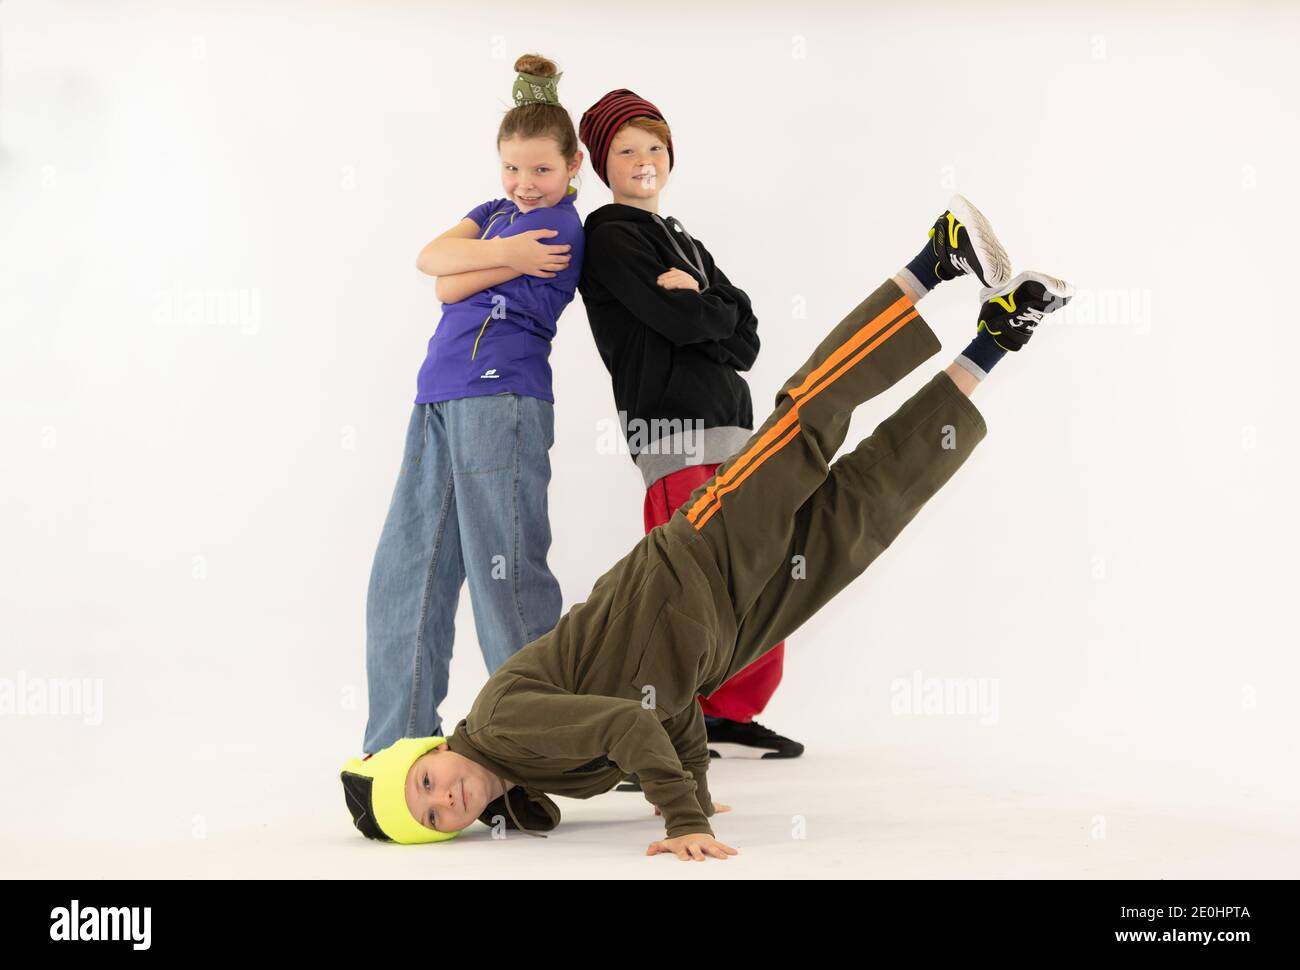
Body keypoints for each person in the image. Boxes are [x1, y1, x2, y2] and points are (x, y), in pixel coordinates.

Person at [342, 194, 1074, 861]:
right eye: (435, 814)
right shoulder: (526, 775)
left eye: (427, 781)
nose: (445, 797)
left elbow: (627, 728)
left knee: (806, 425)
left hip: (694, 560)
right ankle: (999, 336)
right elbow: (663, 708)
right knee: (866, 512)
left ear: (430, 750)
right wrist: (689, 770)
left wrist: (683, 814)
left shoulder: (500, 723)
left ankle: (935, 259)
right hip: (718, 634)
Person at [360, 54, 583, 756]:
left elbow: (454, 289)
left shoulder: (563, 226)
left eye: (541, 169)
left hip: (501, 401)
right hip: (440, 395)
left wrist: (494, 255)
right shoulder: (496, 215)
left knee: (505, 580)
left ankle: (546, 748)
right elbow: (432, 265)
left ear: (573, 165)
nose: (524, 184)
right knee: (408, 567)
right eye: (512, 169)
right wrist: (500, 250)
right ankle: (397, 746)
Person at [576, 89, 804, 774]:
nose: (644, 160)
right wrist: (713, 310)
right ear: (601, 162)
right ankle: (656, 722)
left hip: (736, 432)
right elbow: (684, 324)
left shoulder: (686, 240)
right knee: (685, 585)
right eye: (626, 150)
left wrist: (707, 302)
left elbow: (749, 339)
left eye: (654, 147)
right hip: (674, 436)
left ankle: (726, 713)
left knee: (755, 575)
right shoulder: (610, 234)